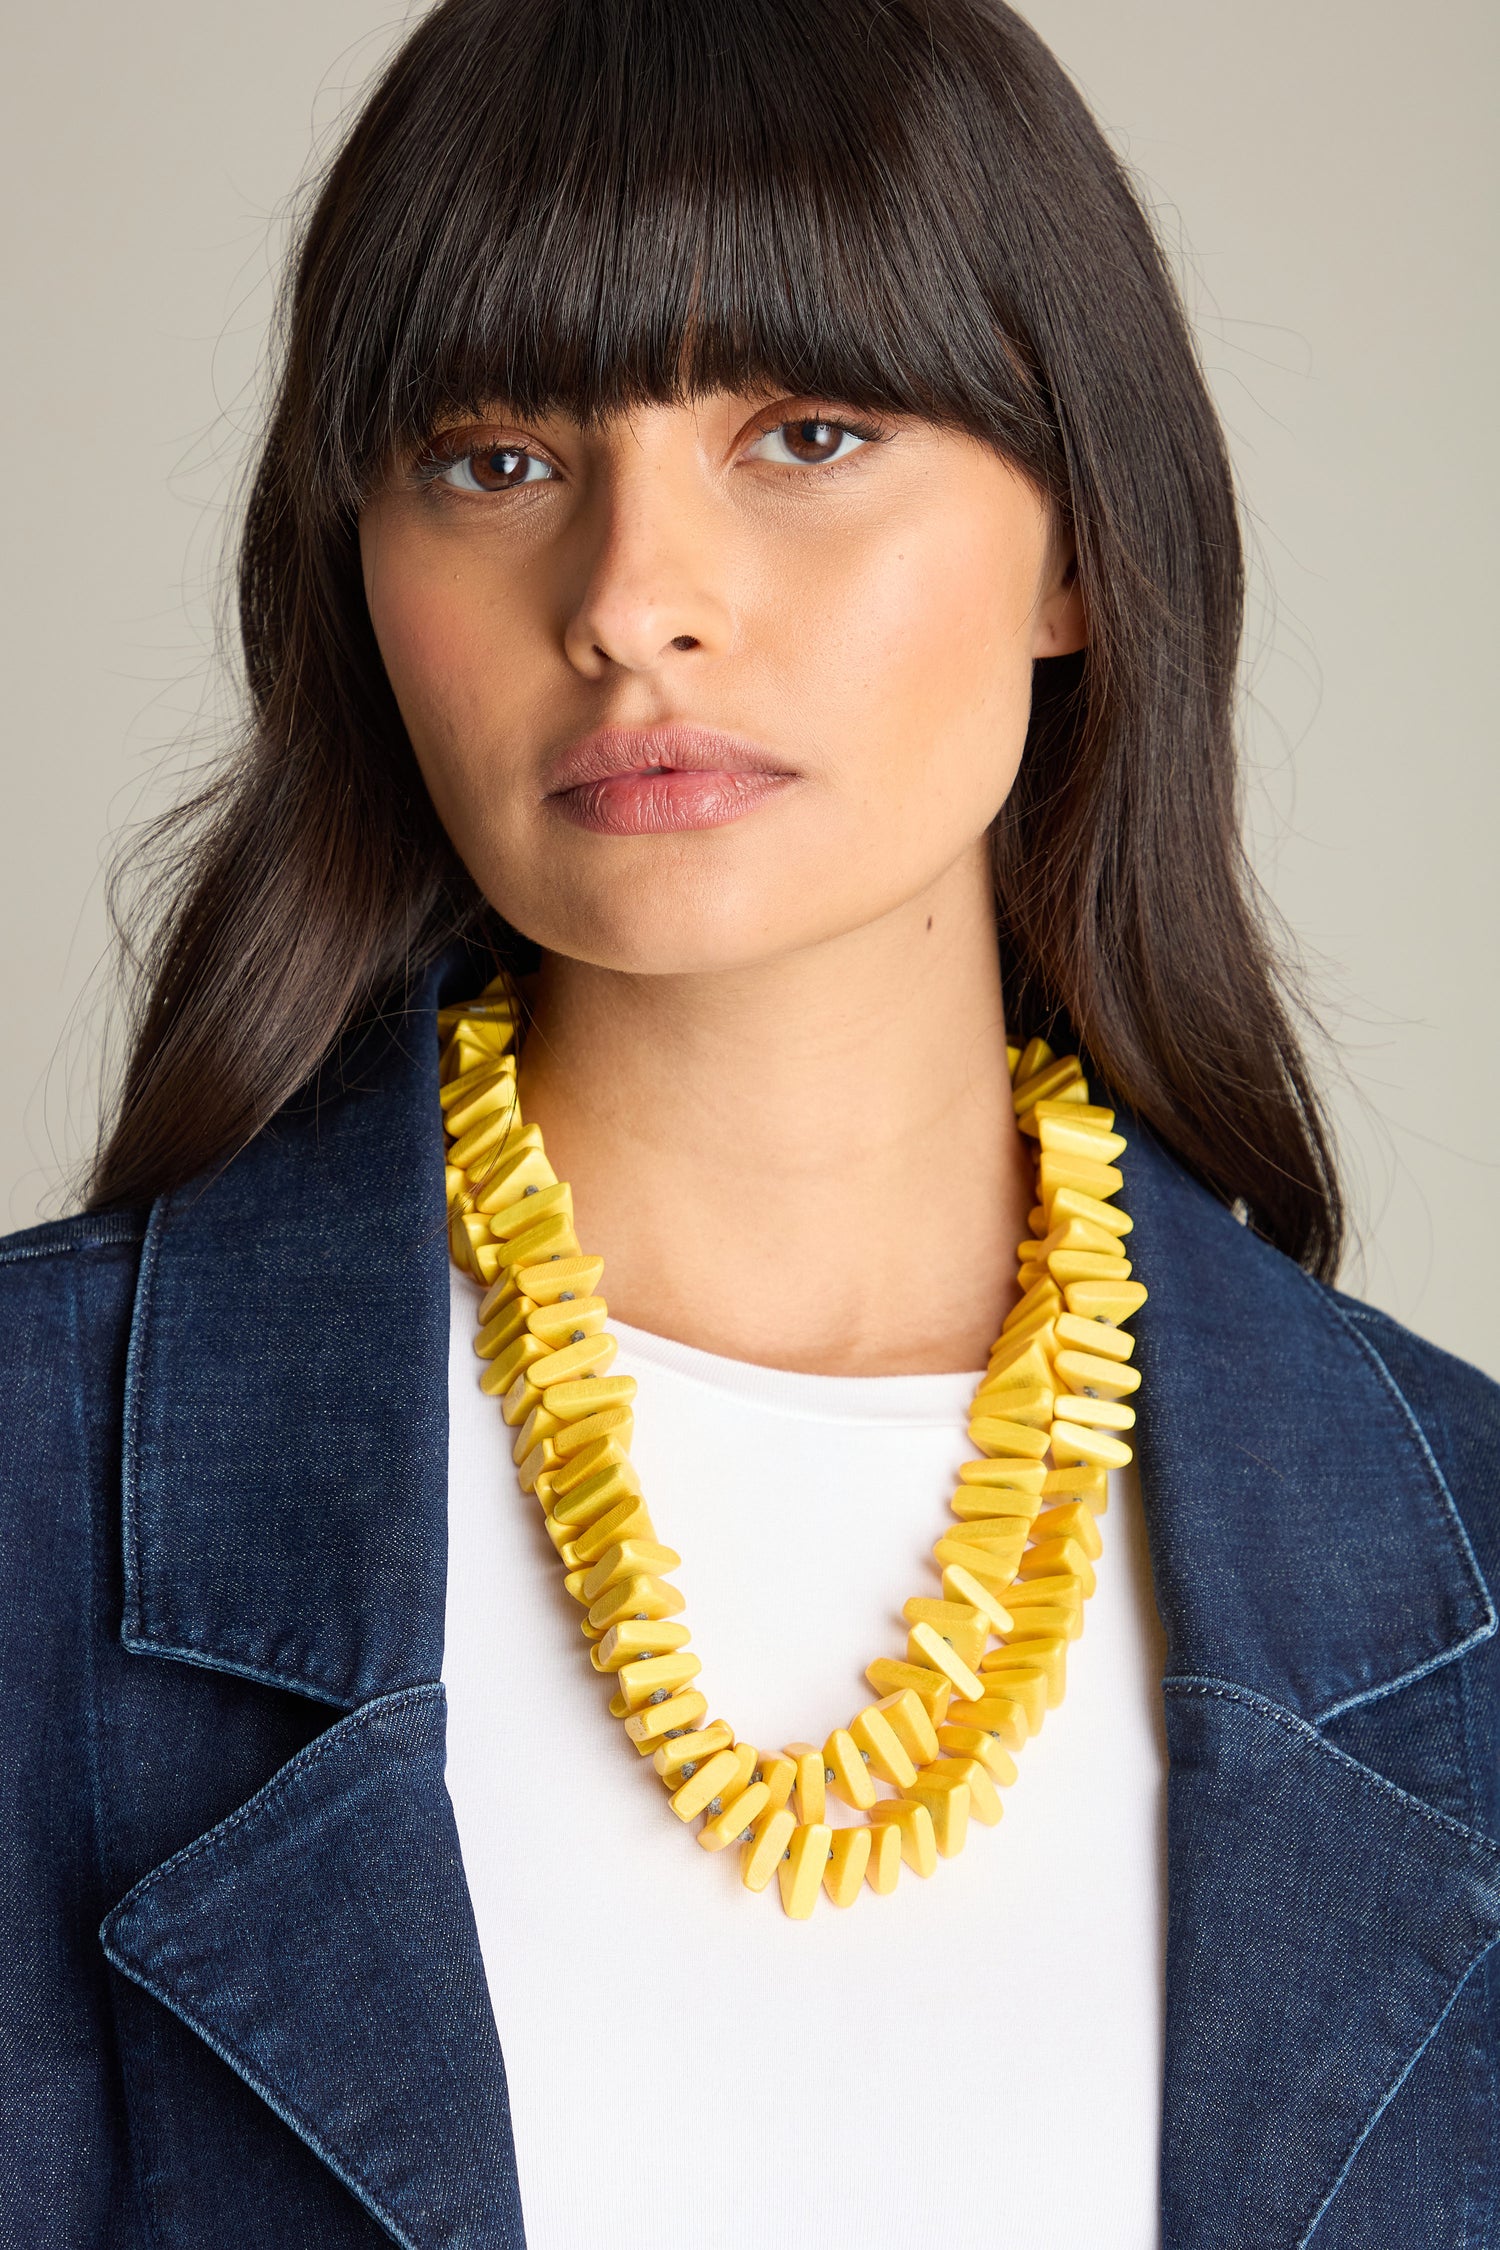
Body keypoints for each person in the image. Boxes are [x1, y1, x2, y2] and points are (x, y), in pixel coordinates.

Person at [3, 0, 1497, 2242]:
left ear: (1082, 544)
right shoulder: (33, 1493)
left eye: (804, 431)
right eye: (493, 459)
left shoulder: (1461, 1574)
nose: (629, 605)